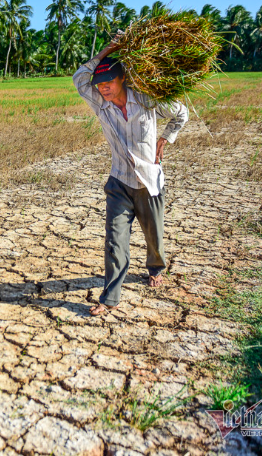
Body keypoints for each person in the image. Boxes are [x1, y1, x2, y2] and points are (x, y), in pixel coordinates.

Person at [73, 37, 188, 316]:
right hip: (119, 182)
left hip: (148, 182)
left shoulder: (147, 98)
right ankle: (110, 298)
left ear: (122, 78)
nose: (103, 88)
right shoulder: (100, 102)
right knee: (114, 240)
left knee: (154, 237)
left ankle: (155, 268)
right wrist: (108, 50)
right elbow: (79, 77)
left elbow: (181, 113)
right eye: (100, 84)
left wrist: (165, 138)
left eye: (109, 82)